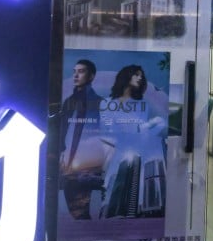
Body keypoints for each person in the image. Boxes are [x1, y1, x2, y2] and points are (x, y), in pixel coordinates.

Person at [98, 64, 168, 218]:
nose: (140, 78)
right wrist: (143, 126)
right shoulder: (106, 103)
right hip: (117, 154)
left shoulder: (141, 105)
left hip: (139, 155)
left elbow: (143, 133)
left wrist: (150, 127)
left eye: (141, 76)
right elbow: (108, 131)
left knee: (139, 195)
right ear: (126, 76)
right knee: (112, 194)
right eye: (136, 74)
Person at [59, 59, 104, 220]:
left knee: (83, 211)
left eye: (81, 71)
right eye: (74, 71)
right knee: (76, 212)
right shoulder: (69, 102)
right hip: (69, 165)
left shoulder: (100, 103)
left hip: (90, 165)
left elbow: (106, 136)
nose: (76, 75)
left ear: (91, 76)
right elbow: (61, 131)